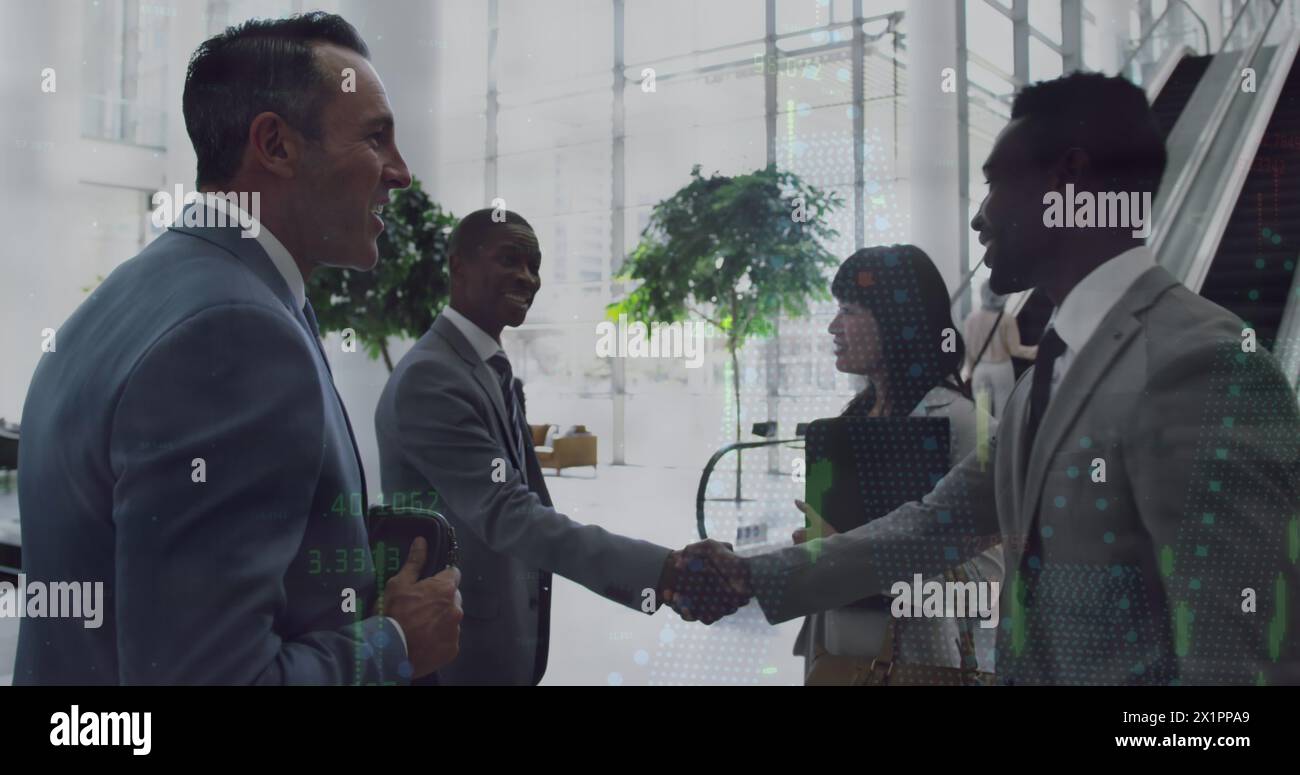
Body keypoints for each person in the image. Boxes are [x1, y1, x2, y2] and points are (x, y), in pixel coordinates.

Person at [743, 72, 1300, 684]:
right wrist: (742, 576)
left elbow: (1243, 676)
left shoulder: (1202, 365)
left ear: (1069, 178)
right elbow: (934, 525)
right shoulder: (1047, 377)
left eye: (994, 183)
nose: (981, 218)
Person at [14, 13, 462, 684]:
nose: (400, 172)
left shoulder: (145, 292)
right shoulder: (234, 333)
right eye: (377, 138)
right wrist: (395, 642)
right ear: (276, 145)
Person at [375, 209, 749, 685]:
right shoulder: (432, 378)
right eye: (510, 259)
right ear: (458, 266)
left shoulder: (485, 366)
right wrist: (663, 572)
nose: (527, 278)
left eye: (534, 265)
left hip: (499, 638)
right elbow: (509, 513)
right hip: (454, 652)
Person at [791, 245, 1002, 684]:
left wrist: (851, 561)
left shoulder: (964, 425)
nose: (833, 326)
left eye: (848, 311)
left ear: (895, 323)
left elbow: (985, 587)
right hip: (836, 657)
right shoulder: (852, 420)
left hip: (913, 664)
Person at [963, 281, 1038, 418]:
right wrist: (1037, 351)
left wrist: (969, 371)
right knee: (1003, 412)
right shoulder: (1007, 319)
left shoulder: (971, 319)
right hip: (1001, 369)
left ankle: (982, 440)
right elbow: (1015, 350)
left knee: (981, 415)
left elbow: (968, 350)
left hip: (979, 369)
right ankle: (1000, 440)